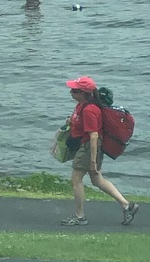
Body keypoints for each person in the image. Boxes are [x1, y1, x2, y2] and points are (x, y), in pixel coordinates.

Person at [59, 76, 138, 226]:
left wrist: (93, 161)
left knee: (76, 180)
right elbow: (82, 125)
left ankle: (80, 216)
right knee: (97, 179)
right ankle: (127, 206)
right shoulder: (81, 106)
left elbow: (94, 135)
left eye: (74, 90)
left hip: (88, 147)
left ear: (83, 93)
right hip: (87, 146)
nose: (71, 92)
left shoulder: (90, 110)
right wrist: (71, 121)